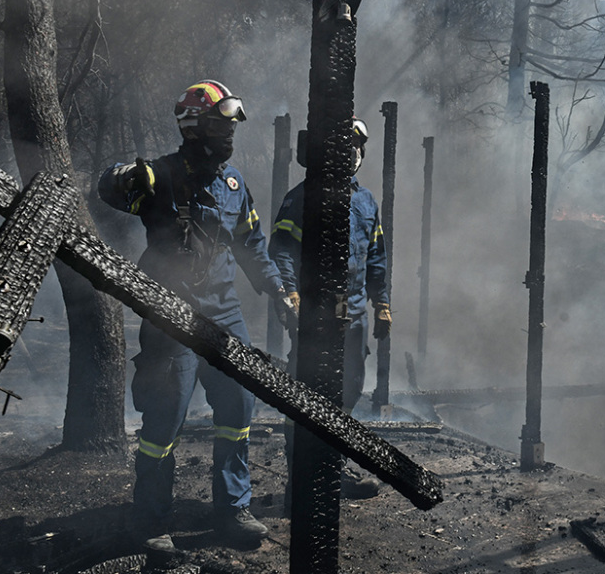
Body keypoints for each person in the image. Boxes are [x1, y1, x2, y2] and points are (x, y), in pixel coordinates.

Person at [98, 80, 293, 551]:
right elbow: (109, 189)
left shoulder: (233, 183)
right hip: (171, 311)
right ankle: (149, 522)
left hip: (224, 312)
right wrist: (125, 175)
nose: (228, 135)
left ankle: (232, 511)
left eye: (230, 127)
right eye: (220, 125)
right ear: (194, 126)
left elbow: (251, 246)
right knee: (165, 417)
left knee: (238, 407)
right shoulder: (160, 175)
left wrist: (281, 292)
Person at [269, 118, 391, 501]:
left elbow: (375, 257)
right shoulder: (301, 197)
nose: (351, 151)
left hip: (353, 313)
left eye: (356, 144)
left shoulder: (366, 201)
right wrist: (291, 295)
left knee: (349, 390)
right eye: (345, 144)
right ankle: (298, 482)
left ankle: (331, 471)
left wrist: (382, 302)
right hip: (313, 312)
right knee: (304, 394)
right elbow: (282, 251)